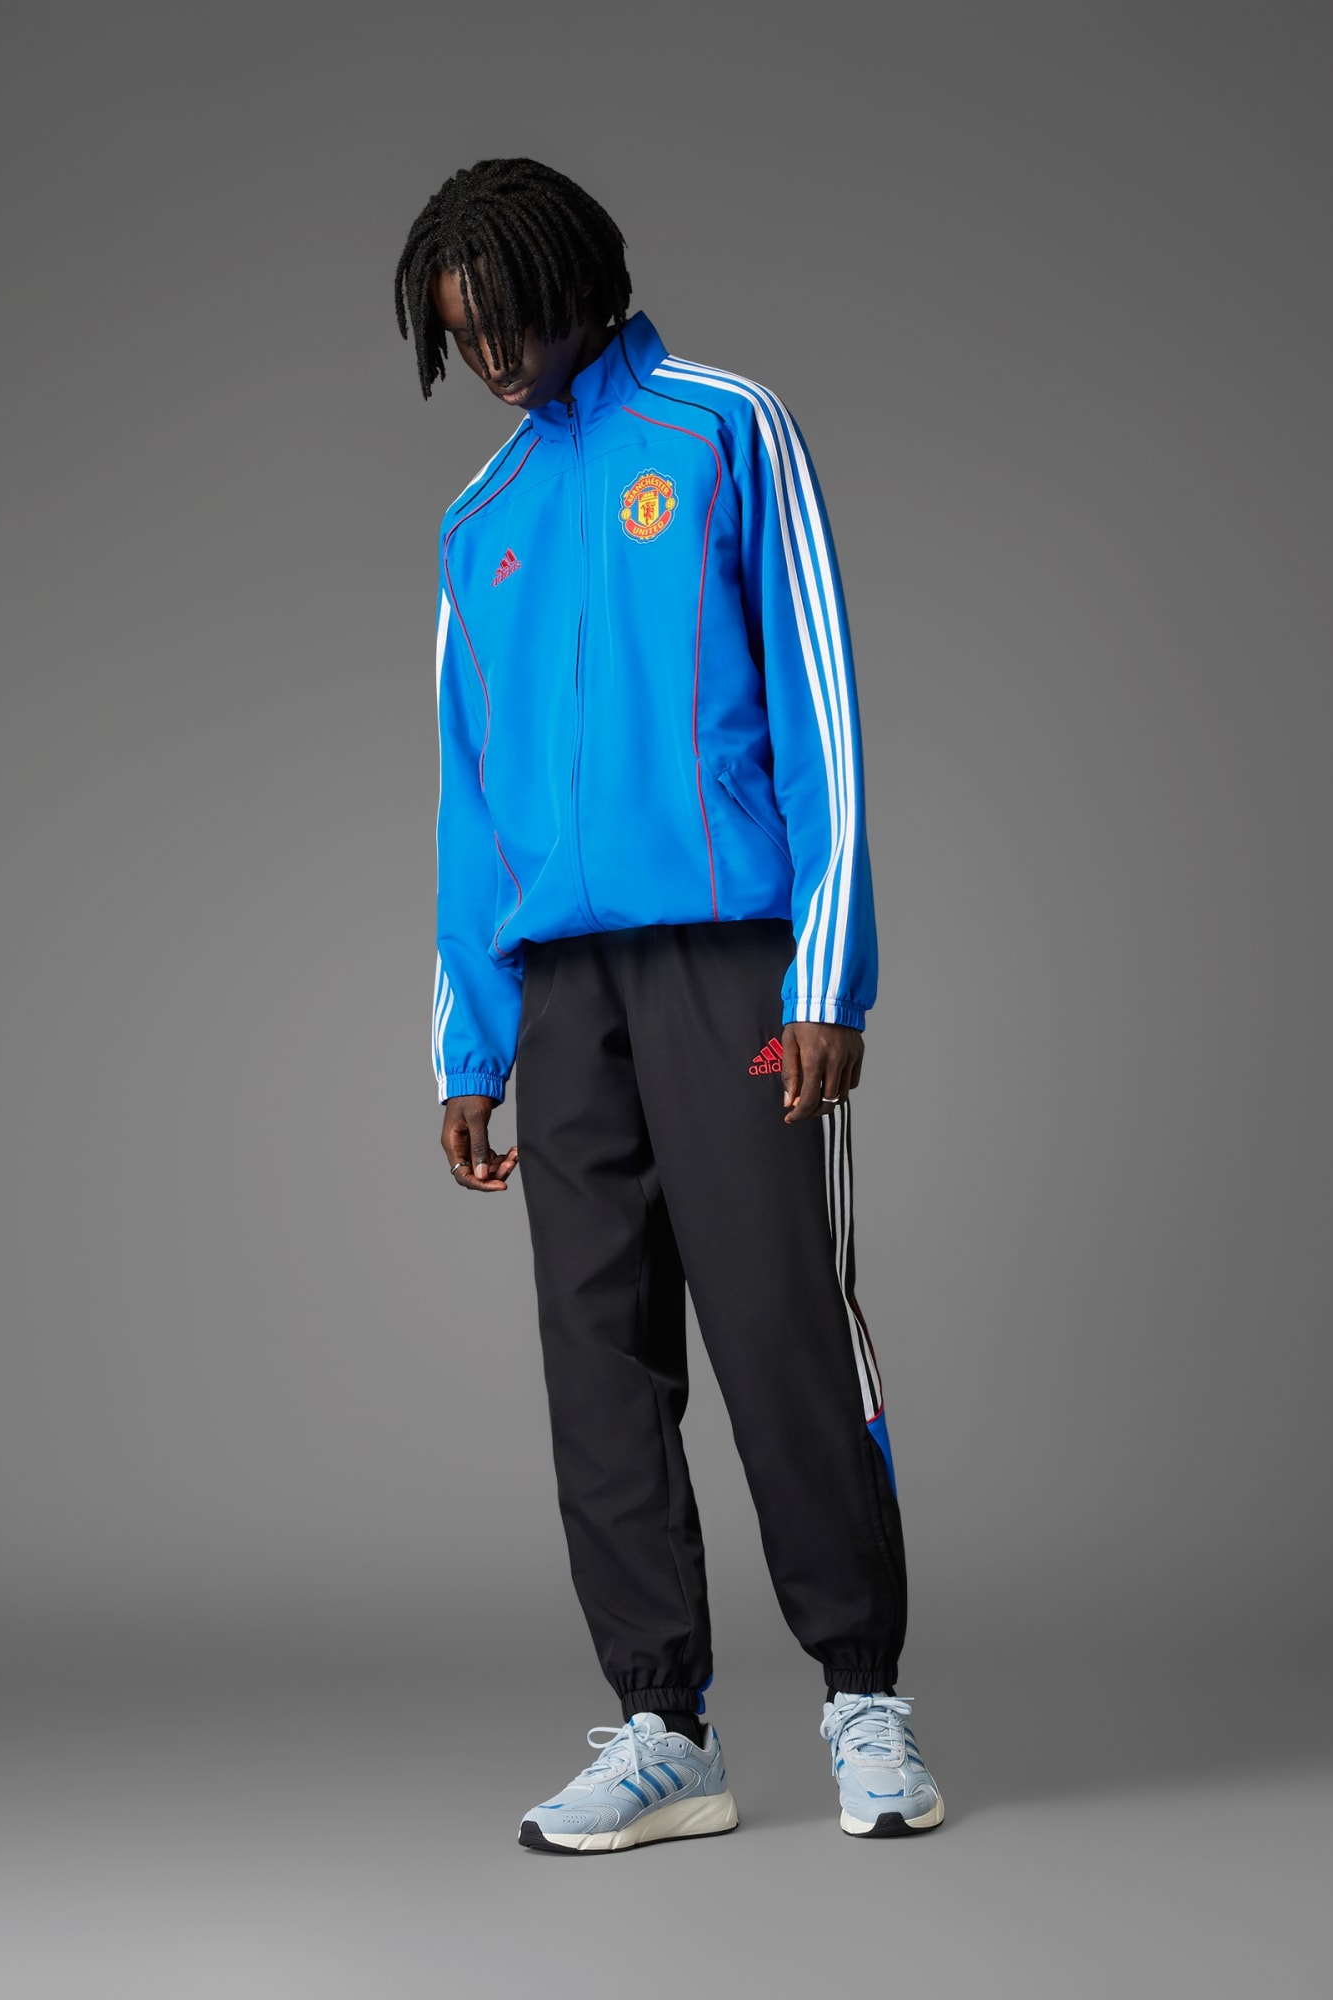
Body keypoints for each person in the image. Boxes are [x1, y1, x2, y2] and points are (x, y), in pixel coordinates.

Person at [397, 158, 941, 1851]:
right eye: (461, 336)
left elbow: (819, 698)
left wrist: (827, 967)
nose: (491, 359)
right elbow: (469, 798)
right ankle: (664, 1728)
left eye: (507, 318)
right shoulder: (479, 520)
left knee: (777, 1323)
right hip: (563, 991)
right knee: (599, 1360)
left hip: (731, 961)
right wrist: (468, 1042)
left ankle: (863, 1700)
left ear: (579, 276)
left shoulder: (722, 428)